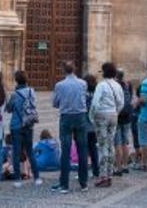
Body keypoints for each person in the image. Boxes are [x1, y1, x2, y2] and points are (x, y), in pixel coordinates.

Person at [51, 62, 89, 194]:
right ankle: (84, 183)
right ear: (74, 70)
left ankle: (64, 184)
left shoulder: (59, 85)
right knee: (82, 150)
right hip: (80, 117)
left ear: (63, 71)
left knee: (65, 151)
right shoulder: (83, 83)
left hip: (66, 117)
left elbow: (55, 103)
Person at [89, 62, 124, 187]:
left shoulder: (101, 85)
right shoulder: (117, 85)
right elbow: (121, 102)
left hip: (102, 116)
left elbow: (95, 103)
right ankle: (110, 173)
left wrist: (92, 116)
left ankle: (103, 175)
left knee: (102, 145)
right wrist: (115, 112)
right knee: (110, 145)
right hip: (113, 115)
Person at [6, 70, 42, 187]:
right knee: (30, 151)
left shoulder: (15, 95)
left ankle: (17, 180)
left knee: (16, 152)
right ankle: (36, 178)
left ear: (16, 80)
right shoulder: (32, 91)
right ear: (26, 80)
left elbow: (9, 109)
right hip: (28, 124)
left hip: (16, 125)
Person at [113, 70, 133, 176]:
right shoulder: (127, 84)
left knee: (117, 143)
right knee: (125, 142)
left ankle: (118, 168)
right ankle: (125, 165)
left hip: (117, 116)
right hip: (127, 117)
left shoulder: (114, 86)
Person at [82, 74, 101, 180]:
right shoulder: (97, 93)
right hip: (95, 125)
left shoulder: (84, 94)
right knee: (93, 149)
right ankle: (96, 170)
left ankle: (84, 171)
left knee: (84, 149)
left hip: (84, 124)